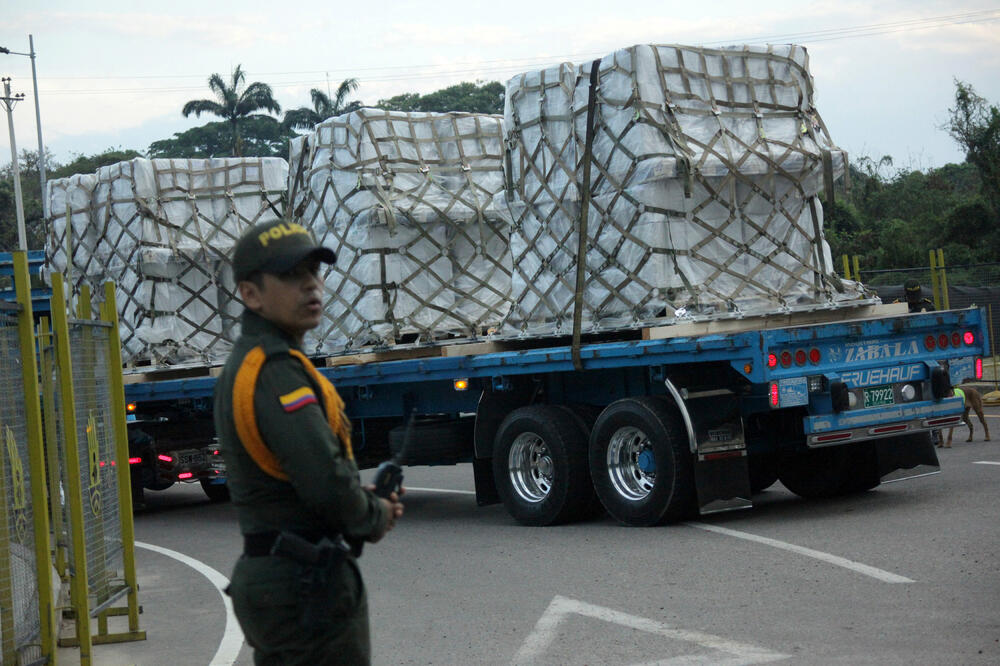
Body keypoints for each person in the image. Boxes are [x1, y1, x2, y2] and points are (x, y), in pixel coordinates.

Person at [213, 218, 404, 665]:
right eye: (292, 276)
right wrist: (372, 513)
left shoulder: (254, 363)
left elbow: (300, 474)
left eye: (314, 273)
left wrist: (360, 496)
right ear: (251, 293)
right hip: (303, 585)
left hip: (286, 579)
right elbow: (325, 482)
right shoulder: (276, 371)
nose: (311, 286)